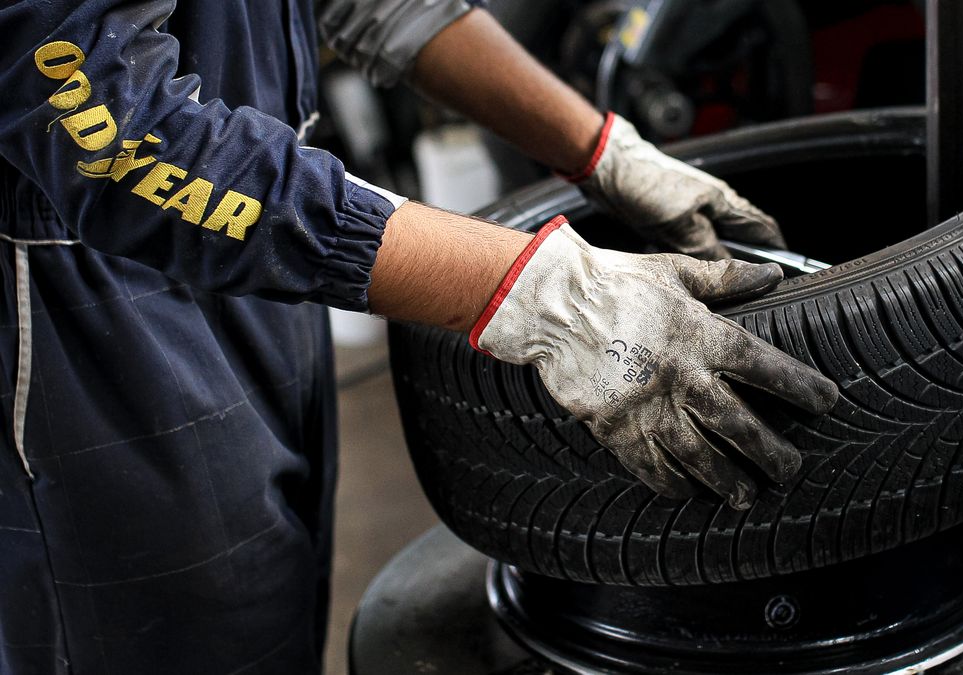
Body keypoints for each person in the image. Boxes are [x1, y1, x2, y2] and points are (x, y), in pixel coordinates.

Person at [0, 1, 837, 672]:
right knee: (185, 634)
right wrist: (537, 294)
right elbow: (101, 118)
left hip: (252, 251)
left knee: (270, 613)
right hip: (89, 296)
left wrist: (605, 151)